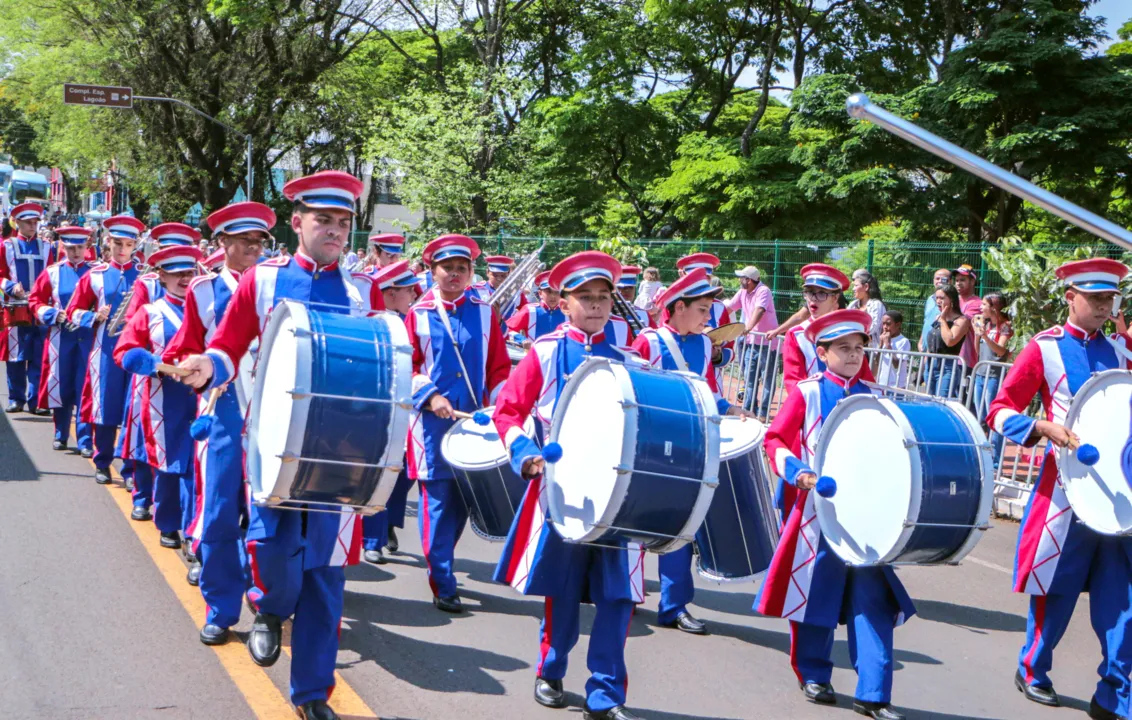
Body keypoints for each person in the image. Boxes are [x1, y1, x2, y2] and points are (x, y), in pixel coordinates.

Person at [174, 170, 381, 720]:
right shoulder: (262, 280)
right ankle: (266, 610)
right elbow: (227, 345)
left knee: (327, 574)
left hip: (341, 454)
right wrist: (205, 366)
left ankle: (313, 693)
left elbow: (387, 365)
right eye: (324, 220)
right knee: (271, 550)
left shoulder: (365, 291)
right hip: (270, 445)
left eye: (343, 222)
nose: (335, 231)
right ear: (297, 222)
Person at [493, 250, 646, 720]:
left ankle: (605, 695)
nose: (596, 306)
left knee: (618, 596)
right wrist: (525, 454)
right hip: (563, 492)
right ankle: (550, 670)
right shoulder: (543, 351)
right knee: (562, 590)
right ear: (564, 303)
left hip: (617, 499)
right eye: (585, 297)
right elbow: (508, 413)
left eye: (603, 298)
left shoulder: (627, 360)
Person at [986, 258, 1132, 720]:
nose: (1104, 307)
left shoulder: (1124, 350)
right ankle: (1033, 668)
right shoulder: (1043, 348)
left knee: (1123, 597)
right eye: (1096, 299)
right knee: (1056, 586)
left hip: (1120, 493)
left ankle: (1116, 694)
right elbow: (999, 409)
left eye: (1110, 299)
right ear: (1070, 297)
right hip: (1065, 490)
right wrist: (1040, 425)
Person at [758, 309, 916, 720]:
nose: (852, 355)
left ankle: (874, 693)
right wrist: (799, 472)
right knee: (814, 591)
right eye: (842, 348)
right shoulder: (807, 392)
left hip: (867, 517)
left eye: (859, 348)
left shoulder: (875, 397)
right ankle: (813, 672)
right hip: (817, 511)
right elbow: (775, 440)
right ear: (822, 352)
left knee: (873, 598)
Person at [165, 201, 275, 643]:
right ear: (222, 243)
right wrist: (181, 365)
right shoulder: (203, 290)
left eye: (259, 240)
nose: (252, 247)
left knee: (271, 511)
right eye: (243, 240)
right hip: (223, 411)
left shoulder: (275, 284)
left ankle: (267, 602)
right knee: (218, 514)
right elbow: (185, 345)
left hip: (274, 412)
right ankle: (221, 606)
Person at [633, 268, 754, 638]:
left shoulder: (703, 346)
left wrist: (730, 409)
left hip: (690, 447)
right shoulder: (649, 343)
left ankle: (673, 605)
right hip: (648, 448)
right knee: (632, 525)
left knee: (682, 528)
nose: (708, 318)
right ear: (679, 307)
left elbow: (708, 392)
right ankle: (623, 590)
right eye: (702, 310)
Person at [405, 234, 510, 614]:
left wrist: (499, 404)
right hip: (431, 426)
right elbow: (409, 367)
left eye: (461, 268)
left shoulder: (485, 311)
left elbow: (499, 366)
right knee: (436, 502)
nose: (454, 274)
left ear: (470, 274)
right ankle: (443, 580)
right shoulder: (417, 314)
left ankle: (443, 564)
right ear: (433, 271)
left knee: (464, 503)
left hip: (474, 423)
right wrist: (431, 396)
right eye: (447, 267)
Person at [114, 246, 203, 551]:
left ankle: (195, 533)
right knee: (167, 464)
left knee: (199, 468)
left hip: (203, 399)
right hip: (162, 400)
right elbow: (124, 351)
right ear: (162, 276)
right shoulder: (150, 312)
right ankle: (168, 523)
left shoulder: (210, 309)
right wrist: (155, 365)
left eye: (189, 272)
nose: (183, 278)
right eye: (176, 272)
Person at [66, 215, 146, 485]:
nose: (122, 249)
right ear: (108, 243)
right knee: (104, 409)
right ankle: (102, 462)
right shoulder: (95, 276)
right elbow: (72, 312)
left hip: (136, 353)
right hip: (105, 352)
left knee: (134, 410)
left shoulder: (146, 277)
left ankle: (131, 469)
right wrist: (94, 317)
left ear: (135, 246)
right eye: (117, 243)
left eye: (128, 244)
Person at [359, 260, 419, 565]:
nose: (414, 295)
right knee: (379, 474)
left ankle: (387, 525)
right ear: (390, 292)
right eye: (409, 290)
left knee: (406, 473)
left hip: (409, 410)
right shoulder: (374, 322)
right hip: (380, 410)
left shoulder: (410, 319)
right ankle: (373, 538)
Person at [27, 225, 94, 453]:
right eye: (70, 247)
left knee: (85, 387)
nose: (75, 252)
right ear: (63, 247)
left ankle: (86, 440)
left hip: (88, 338)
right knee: (61, 385)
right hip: (60, 337)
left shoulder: (96, 272)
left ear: (87, 247)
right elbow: (35, 300)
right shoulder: (52, 272)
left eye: (80, 247)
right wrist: (53, 314)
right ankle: (61, 433)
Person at [1, 202, 58, 414]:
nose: (33, 225)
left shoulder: (46, 247)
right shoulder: (6, 246)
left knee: (39, 354)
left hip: (40, 307)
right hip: (15, 308)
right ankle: (16, 398)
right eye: (28, 222)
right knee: (15, 355)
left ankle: (37, 401)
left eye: (35, 222)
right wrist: (9, 286)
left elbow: (52, 273)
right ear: (18, 223)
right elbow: (0, 275)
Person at [727, 265, 778, 415]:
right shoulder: (743, 292)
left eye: (741, 277)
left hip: (768, 343)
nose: (739, 280)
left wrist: (748, 327)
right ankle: (749, 410)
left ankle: (763, 412)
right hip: (751, 342)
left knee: (767, 379)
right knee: (750, 378)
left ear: (748, 280)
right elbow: (729, 307)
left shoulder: (763, 291)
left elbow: (759, 310)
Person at [971, 292, 1012, 465]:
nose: (981, 308)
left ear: (994, 307)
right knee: (980, 416)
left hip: (994, 376)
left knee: (993, 415)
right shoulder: (985, 324)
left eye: (984, 305)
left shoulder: (1006, 327)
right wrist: (977, 334)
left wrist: (985, 336)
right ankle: (982, 454)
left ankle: (995, 459)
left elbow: (1000, 351)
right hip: (981, 374)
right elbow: (977, 351)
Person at [924, 284, 969, 398]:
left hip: (947, 367)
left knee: (941, 401)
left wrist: (943, 320)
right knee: (929, 401)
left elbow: (950, 341)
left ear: (952, 300)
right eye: (936, 298)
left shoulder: (961, 320)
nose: (938, 301)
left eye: (942, 298)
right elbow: (932, 340)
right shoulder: (937, 318)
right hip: (931, 365)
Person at [506, 271, 564, 347]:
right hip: (534, 355)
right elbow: (507, 328)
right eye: (548, 292)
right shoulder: (529, 310)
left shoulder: (567, 312)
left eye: (556, 292)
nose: (553, 296)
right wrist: (521, 339)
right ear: (540, 293)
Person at [953, 264, 982, 369]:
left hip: (965, 360)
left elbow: (960, 323)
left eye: (962, 280)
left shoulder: (977, 303)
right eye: (956, 280)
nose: (958, 283)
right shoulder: (952, 300)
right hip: (948, 357)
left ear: (972, 281)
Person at [847, 270, 886, 346]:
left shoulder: (876, 304)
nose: (853, 289)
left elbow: (873, 327)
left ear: (866, 287)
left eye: (856, 286)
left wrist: (854, 332)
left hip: (872, 351)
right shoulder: (852, 305)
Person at [876, 311, 911, 390]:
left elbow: (897, 365)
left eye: (888, 324)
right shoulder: (883, 339)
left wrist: (888, 345)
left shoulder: (903, 341)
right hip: (882, 383)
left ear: (898, 325)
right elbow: (876, 362)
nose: (885, 327)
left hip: (896, 385)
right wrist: (880, 345)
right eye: (883, 324)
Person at [918, 269, 951, 352]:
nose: (939, 281)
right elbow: (926, 321)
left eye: (943, 279)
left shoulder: (950, 301)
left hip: (938, 348)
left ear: (950, 281)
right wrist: (921, 341)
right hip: (925, 348)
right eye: (937, 278)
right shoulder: (930, 299)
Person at [617, 265, 652, 330]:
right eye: (621, 288)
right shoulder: (604, 315)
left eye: (630, 287)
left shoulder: (644, 314)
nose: (627, 291)